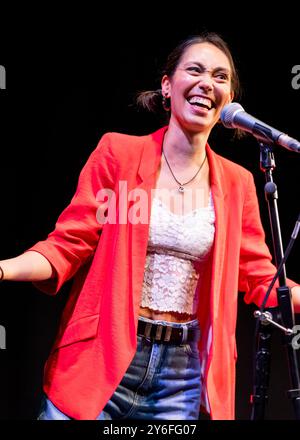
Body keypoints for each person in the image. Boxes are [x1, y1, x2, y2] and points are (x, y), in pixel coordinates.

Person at [0, 32, 299, 421]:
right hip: (103, 356)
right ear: (166, 85)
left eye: (220, 76)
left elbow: (261, 278)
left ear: (230, 99)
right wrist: (4, 268)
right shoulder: (119, 154)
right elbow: (68, 244)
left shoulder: (238, 182)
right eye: (194, 70)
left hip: (182, 376)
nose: (207, 82)